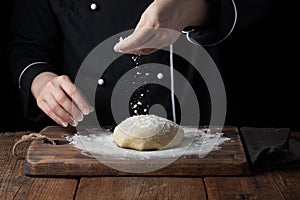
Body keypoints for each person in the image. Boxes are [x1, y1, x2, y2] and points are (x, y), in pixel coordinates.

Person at [8, 0, 272, 129]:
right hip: (91, 137)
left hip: (204, 130)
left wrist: (188, 7)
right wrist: (41, 81)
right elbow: (28, 45)